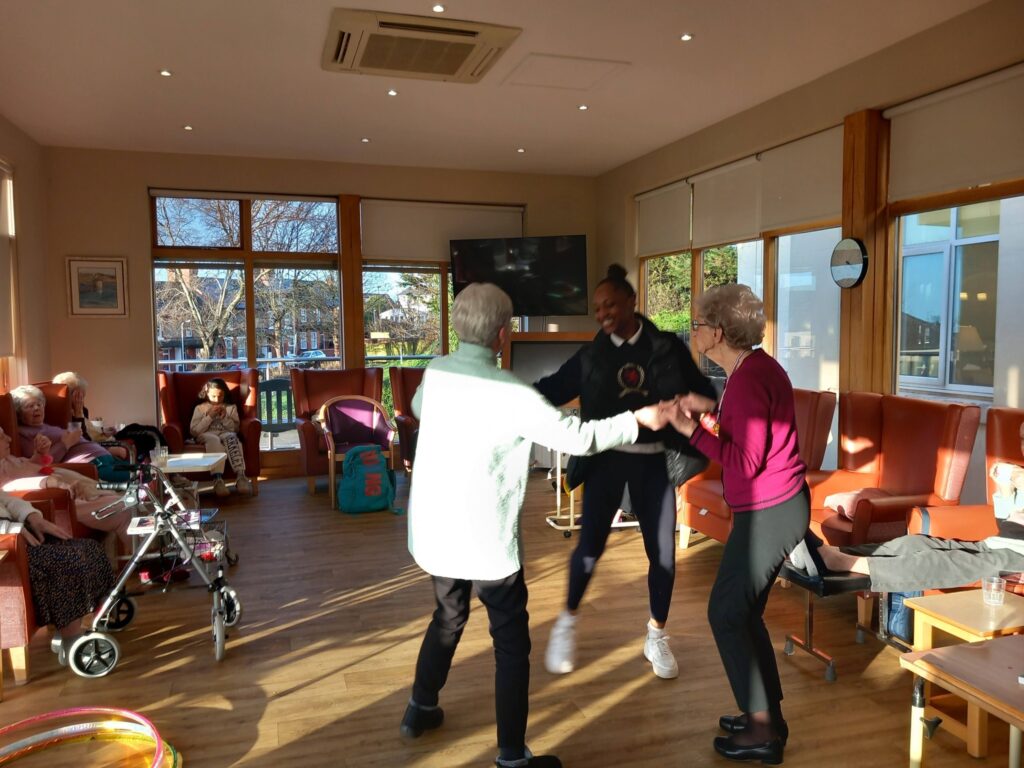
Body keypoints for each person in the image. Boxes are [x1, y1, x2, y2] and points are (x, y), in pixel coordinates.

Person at [402, 282, 672, 768]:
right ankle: (510, 757)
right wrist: (638, 420)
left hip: (438, 533)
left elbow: (421, 408)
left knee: (448, 615)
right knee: (510, 642)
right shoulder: (511, 393)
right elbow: (579, 438)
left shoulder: (436, 371)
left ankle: (420, 707)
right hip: (485, 542)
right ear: (504, 334)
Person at [537, 264, 716, 680]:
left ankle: (656, 634)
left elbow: (705, 394)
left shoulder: (667, 347)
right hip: (606, 461)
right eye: (598, 308)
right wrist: (509, 394)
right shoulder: (591, 356)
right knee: (589, 548)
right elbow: (551, 389)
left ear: (632, 301)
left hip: (656, 463)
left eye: (611, 304)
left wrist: (686, 404)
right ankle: (567, 620)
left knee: (664, 557)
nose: (603, 314)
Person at [664, 283, 807, 765]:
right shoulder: (752, 370)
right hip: (771, 506)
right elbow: (748, 436)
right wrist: (705, 416)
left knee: (726, 613)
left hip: (771, 510)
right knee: (742, 614)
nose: (695, 331)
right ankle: (766, 717)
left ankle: (763, 732)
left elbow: (744, 462)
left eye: (699, 324)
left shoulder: (748, 379)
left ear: (718, 331)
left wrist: (688, 430)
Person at [815, 421, 1024, 591]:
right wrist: (1006, 488)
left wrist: (1015, 475)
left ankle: (843, 562)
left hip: (1018, 557)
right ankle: (831, 553)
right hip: (997, 545)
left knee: (946, 561)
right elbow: (1006, 526)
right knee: (914, 544)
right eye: (1022, 440)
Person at [0, 489, 116, 664]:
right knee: (65, 562)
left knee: (89, 548)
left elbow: (7, 500)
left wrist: (33, 517)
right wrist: (12, 529)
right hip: (8, 546)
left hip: (20, 532)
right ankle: (71, 640)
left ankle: (100, 610)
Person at [0, 426, 132, 548]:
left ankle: (140, 558)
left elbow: (31, 467)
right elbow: (9, 487)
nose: (9, 439)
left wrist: (40, 454)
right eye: (2, 437)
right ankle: (141, 563)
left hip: (65, 483)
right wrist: (51, 482)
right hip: (59, 496)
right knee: (124, 509)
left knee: (129, 501)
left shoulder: (7, 459)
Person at [10, 384, 130, 482]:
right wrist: (65, 444)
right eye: (29, 406)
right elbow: (38, 463)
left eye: (39, 404)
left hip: (103, 458)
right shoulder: (23, 433)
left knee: (145, 471)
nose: (36, 408)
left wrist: (107, 449)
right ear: (19, 413)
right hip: (91, 465)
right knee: (141, 477)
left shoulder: (46, 426)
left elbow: (80, 439)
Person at [189, 378, 252, 497]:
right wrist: (209, 417)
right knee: (214, 440)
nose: (217, 400)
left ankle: (241, 476)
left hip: (225, 433)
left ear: (225, 394)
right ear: (206, 393)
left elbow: (235, 429)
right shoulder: (200, 408)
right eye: (213, 396)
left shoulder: (231, 408)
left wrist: (225, 418)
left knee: (232, 437)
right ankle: (217, 479)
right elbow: (194, 431)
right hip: (206, 435)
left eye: (220, 396)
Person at [51, 371, 130, 460]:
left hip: (97, 445)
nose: (81, 400)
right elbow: (80, 440)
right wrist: (77, 415)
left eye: (83, 396)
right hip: (88, 453)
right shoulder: (63, 415)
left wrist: (103, 433)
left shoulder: (82, 410)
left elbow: (88, 434)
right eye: (79, 396)